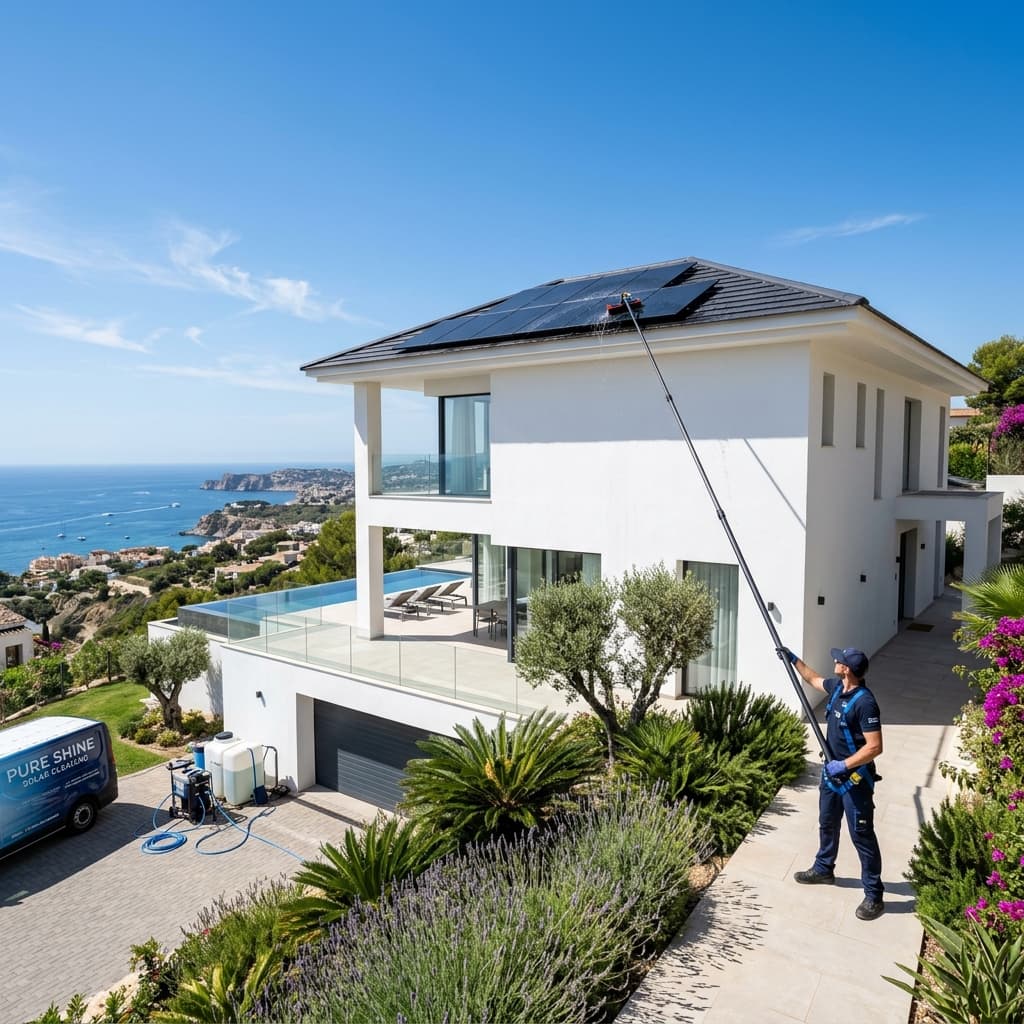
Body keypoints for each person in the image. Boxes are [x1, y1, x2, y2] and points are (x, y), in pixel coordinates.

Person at [777, 645, 885, 921]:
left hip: (855, 780)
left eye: (839, 660)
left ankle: (874, 895)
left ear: (846, 669)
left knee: (862, 836)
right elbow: (813, 679)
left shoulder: (865, 702)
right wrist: (792, 659)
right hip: (831, 776)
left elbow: (874, 747)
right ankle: (824, 868)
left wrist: (844, 765)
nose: (835, 661)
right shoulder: (838, 688)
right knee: (827, 823)